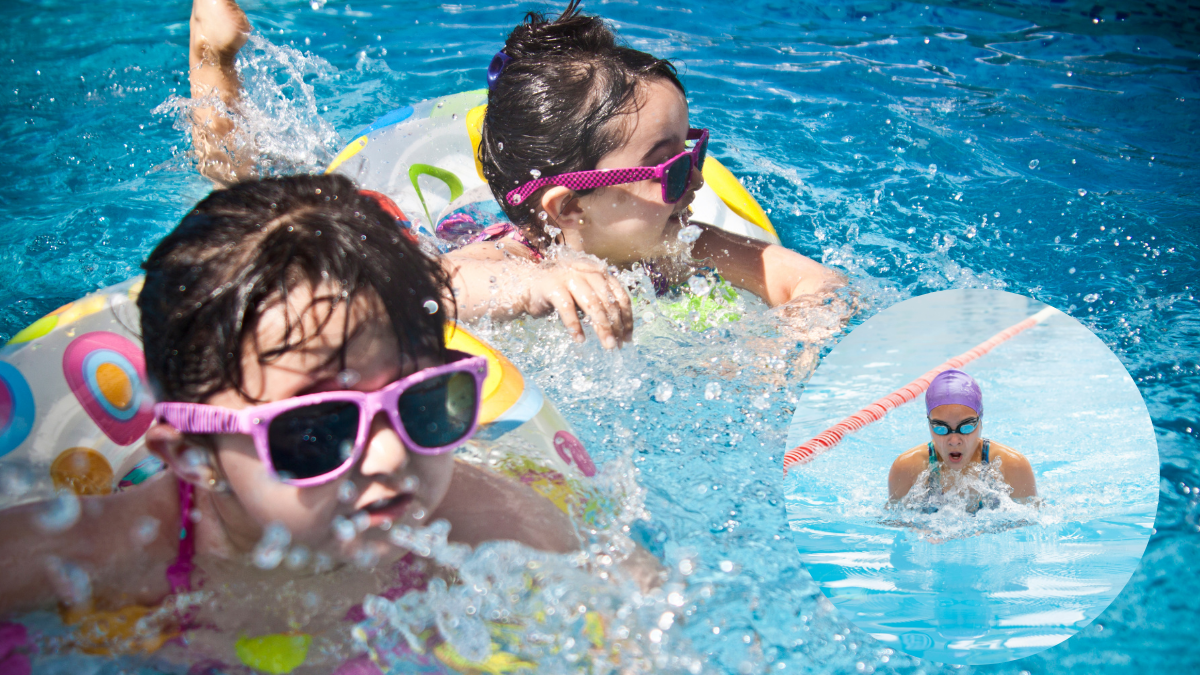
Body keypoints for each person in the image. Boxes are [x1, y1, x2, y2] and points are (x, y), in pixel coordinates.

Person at [0, 174, 579, 666]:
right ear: (192, 456)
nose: (389, 457)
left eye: (422, 404)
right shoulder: (104, 556)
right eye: (316, 432)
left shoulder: (489, 528)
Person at [186, 0, 844, 348]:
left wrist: (800, 333)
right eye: (668, 170)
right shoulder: (514, 252)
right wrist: (537, 279)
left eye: (693, 154)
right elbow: (428, 289)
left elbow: (808, 279)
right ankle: (213, 57)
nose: (694, 183)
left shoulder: (685, 244)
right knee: (253, 201)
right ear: (565, 210)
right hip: (438, 231)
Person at [888, 369, 1037, 511]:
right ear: (929, 424)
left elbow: (1031, 523)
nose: (954, 440)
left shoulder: (1012, 466)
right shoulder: (907, 469)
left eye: (966, 427)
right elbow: (896, 524)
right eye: (941, 427)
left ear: (980, 422)